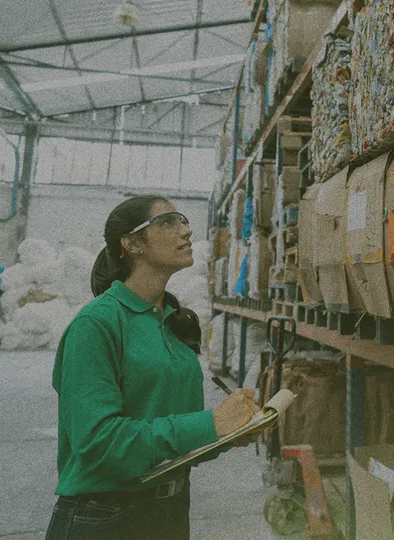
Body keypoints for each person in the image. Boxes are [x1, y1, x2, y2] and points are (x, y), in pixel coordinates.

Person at [45, 196, 259, 540]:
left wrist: (225, 434)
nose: (186, 230)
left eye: (184, 220)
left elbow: (169, 432)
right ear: (131, 244)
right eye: (168, 222)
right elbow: (99, 445)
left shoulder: (172, 321)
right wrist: (210, 423)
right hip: (105, 517)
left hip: (169, 511)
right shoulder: (96, 324)